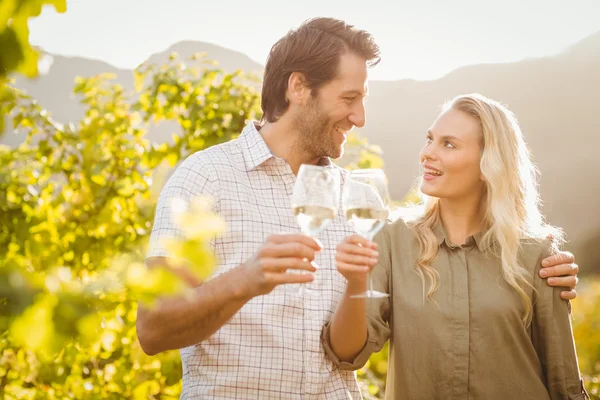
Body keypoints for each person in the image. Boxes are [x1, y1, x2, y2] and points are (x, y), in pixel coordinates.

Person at [136, 17, 580, 399]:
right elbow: (153, 330)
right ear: (298, 88)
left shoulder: (363, 201)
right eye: (349, 98)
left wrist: (541, 265)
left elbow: (432, 279)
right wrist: (246, 280)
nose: (360, 117)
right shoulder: (205, 179)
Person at [324, 93, 589, 399]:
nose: (427, 154)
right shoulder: (391, 240)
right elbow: (347, 353)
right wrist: (356, 282)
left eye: (448, 144)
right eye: (430, 139)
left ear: (487, 163)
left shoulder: (536, 255)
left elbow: (565, 383)